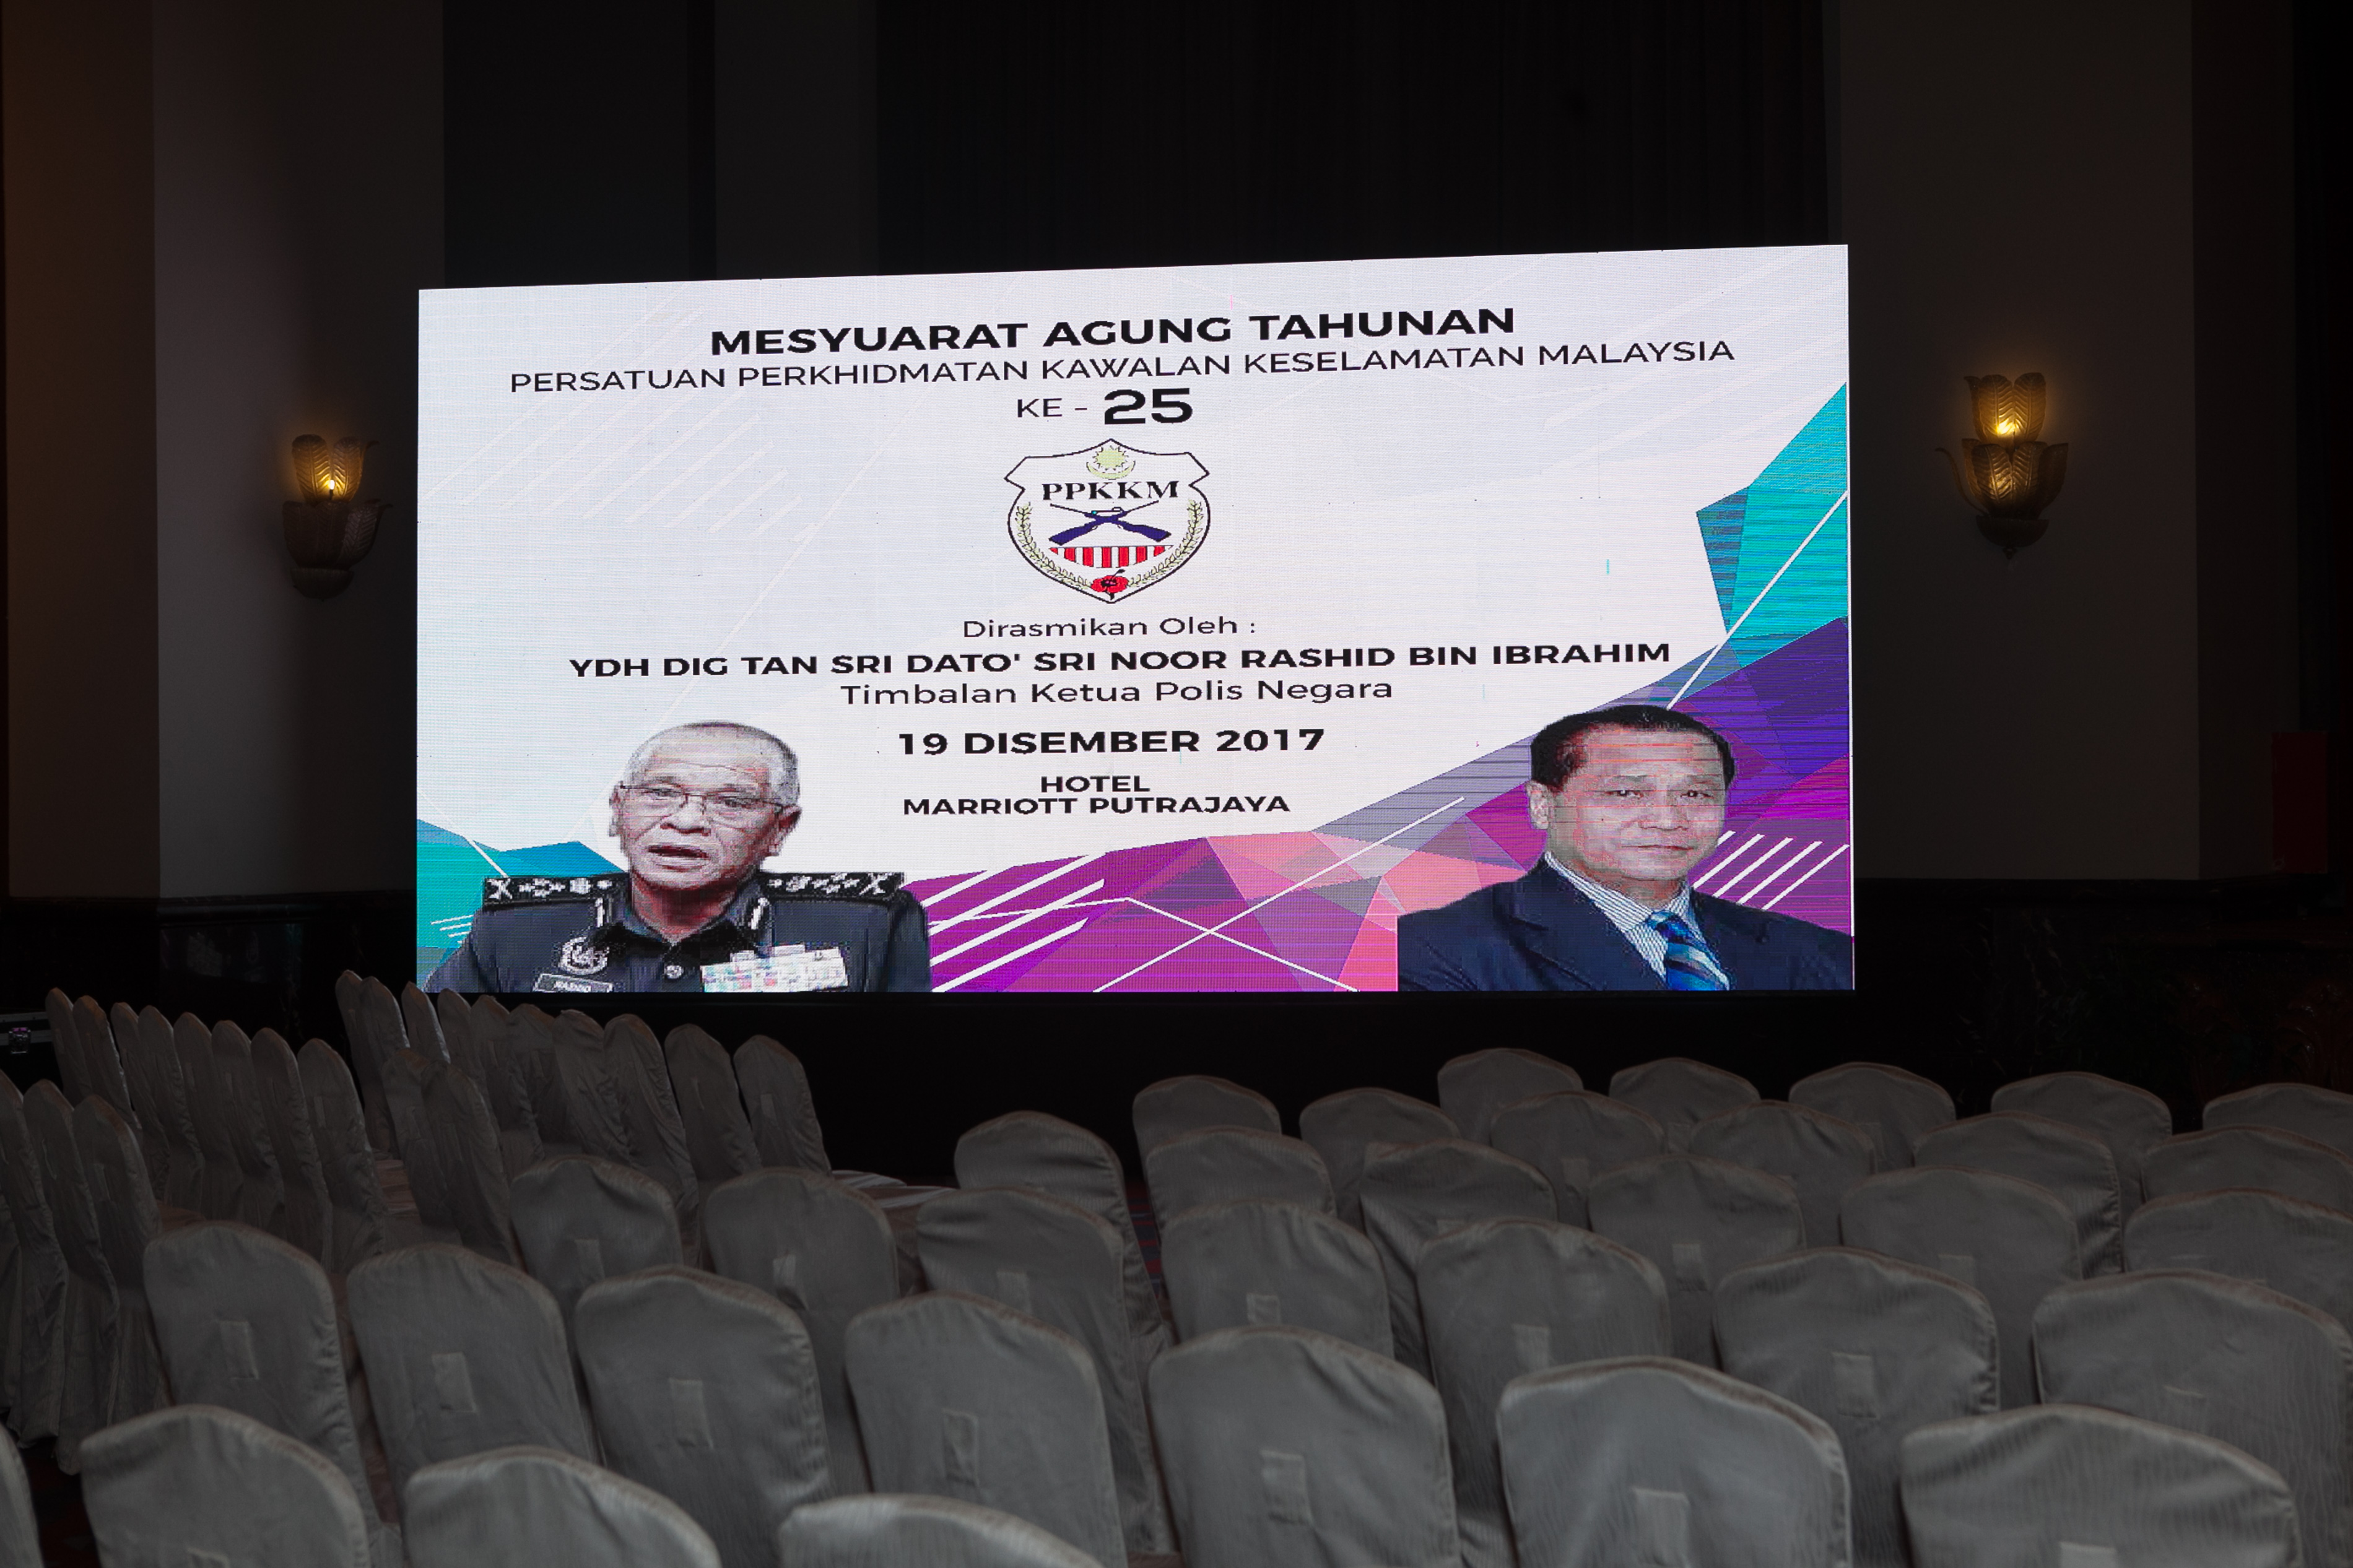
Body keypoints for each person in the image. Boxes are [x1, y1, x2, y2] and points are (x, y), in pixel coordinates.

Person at [427, 721, 930, 993]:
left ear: (780, 828)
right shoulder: (516, 929)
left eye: (731, 802)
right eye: (660, 793)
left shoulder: (867, 925)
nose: (686, 821)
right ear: (618, 809)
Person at [1397, 704, 1850, 991]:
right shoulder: (1437, 948)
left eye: (1695, 794)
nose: (1668, 819)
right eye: (1626, 793)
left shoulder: (1820, 951)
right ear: (1543, 805)